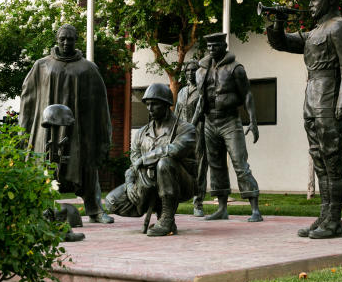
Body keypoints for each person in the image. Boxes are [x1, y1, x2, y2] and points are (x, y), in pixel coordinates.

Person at [266, 0, 342, 239]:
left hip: (329, 100)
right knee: (319, 159)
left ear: (330, 1)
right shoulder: (317, 32)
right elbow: (282, 43)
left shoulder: (340, 28)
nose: (310, 5)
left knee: (331, 161)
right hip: (312, 98)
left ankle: (334, 221)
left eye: (315, 0)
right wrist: (278, 22)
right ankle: (324, 215)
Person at [19, 24, 114, 224]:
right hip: (45, 130)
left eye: (70, 39)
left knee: (86, 167)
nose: (65, 42)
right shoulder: (41, 66)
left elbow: (100, 105)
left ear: (76, 40)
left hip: (79, 129)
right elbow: (28, 100)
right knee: (43, 167)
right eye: (62, 38)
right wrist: (24, 131)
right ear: (56, 39)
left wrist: (103, 137)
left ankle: (95, 209)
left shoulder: (88, 68)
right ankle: (38, 209)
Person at [105, 83, 196, 236]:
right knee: (111, 201)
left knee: (165, 162)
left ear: (167, 105)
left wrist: (145, 158)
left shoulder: (186, 129)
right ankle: (153, 207)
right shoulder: (141, 133)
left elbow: (175, 150)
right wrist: (129, 184)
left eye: (155, 104)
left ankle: (166, 218)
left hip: (182, 183)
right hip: (148, 181)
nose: (150, 108)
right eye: (148, 104)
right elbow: (134, 163)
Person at [193, 32, 263, 222]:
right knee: (216, 166)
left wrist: (253, 121)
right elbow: (200, 98)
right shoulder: (201, 70)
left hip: (230, 120)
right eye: (208, 47)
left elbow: (247, 94)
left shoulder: (236, 68)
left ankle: (255, 209)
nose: (211, 49)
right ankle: (222, 208)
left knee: (240, 164)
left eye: (215, 46)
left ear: (224, 46)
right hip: (209, 121)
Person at [175, 60, 208, 217]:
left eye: (193, 70)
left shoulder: (202, 91)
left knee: (200, 167)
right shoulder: (181, 92)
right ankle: (174, 199)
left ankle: (198, 202)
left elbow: (199, 111)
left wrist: (190, 128)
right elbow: (176, 114)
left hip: (197, 133)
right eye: (187, 70)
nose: (189, 72)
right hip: (182, 134)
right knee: (179, 165)